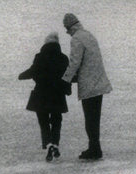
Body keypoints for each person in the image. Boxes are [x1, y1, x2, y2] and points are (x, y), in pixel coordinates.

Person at [61, 13, 112, 160]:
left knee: (90, 119)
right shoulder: (88, 35)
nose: (67, 33)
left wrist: (65, 80)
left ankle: (94, 149)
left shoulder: (77, 38)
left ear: (70, 27)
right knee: (94, 119)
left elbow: (74, 62)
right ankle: (95, 147)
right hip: (98, 82)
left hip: (90, 85)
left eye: (67, 29)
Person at [18, 32, 70, 162]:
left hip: (41, 95)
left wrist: (21, 75)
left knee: (44, 121)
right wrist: (67, 90)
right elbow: (67, 76)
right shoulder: (63, 58)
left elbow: (33, 71)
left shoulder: (40, 56)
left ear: (45, 43)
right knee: (57, 121)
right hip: (58, 95)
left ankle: (48, 144)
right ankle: (55, 144)